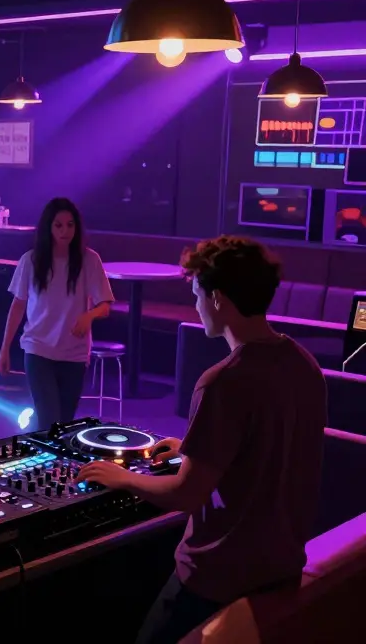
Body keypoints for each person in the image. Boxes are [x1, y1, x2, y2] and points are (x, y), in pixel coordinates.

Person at [78, 236, 326, 644]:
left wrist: (121, 477)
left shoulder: (222, 382)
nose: (195, 305)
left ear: (217, 299)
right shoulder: (304, 364)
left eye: (196, 294)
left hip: (217, 578)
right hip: (281, 569)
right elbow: (268, 447)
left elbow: (185, 494)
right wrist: (192, 449)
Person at [0, 198, 114, 427]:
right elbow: (18, 305)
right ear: (48, 227)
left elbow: (105, 305)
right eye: (58, 225)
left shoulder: (89, 260)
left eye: (70, 225)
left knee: (63, 424)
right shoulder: (30, 261)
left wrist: (88, 316)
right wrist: (5, 349)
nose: (65, 231)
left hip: (74, 352)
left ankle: (41, 446)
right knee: (49, 419)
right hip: (38, 348)